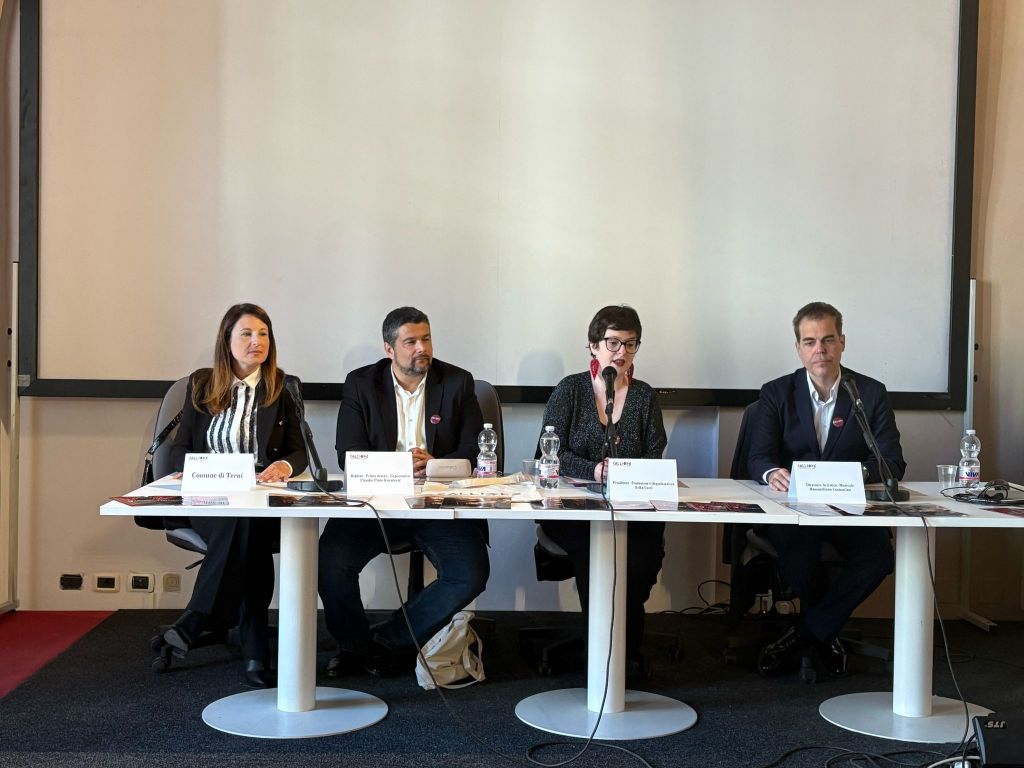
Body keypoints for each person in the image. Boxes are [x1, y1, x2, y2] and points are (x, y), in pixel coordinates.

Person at [318, 306, 490, 677]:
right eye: (410, 341)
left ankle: (388, 639)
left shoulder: (457, 382)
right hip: (376, 502)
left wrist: (433, 463)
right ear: (389, 349)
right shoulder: (361, 384)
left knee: (471, 572)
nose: (421, 348)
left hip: (438, 503)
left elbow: (474, 451)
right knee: (331, 562)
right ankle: (352, 645)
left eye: (426, 339)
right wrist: (399, 466)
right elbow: (348, 454)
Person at [748, 301, 905, 678]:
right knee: (800, 560)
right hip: (793, 510)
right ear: (799, 348)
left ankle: (807, 633)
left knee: (879, 558)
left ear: (842, 343)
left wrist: (852, 476)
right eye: (810, 341)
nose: (820, 349)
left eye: (828, 340)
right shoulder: (776, 393)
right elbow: (757, 458)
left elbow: (892, 463)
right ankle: (822, 633)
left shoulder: (869, 392)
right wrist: (772, 473)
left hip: (848, 509)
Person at [164, 303, 307, 688]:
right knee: (244, 531)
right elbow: (181, 447)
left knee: (248, 525)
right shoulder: (201, 384)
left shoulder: (283, 386)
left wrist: (285, 467)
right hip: (210, 497)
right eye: (246, 333)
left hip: (259, 496)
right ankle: (253, 651)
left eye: (263, 334)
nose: (256, 342)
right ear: (227, 341)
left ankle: (200, 619)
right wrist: (187, 468)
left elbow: (299, 450)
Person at [538, 305, 667, 672]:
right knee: (596, 553)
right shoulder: (571, 390)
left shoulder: (644, 397)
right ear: (593, 346)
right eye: (612, 342)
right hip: (573, 505)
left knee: (638, 565)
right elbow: (549, 452)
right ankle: (605, 657)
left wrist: (625, 472)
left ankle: (623, 649)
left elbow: (655, 454)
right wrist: (595, 469)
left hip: (632, 506)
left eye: (630, 344)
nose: (621, 352)